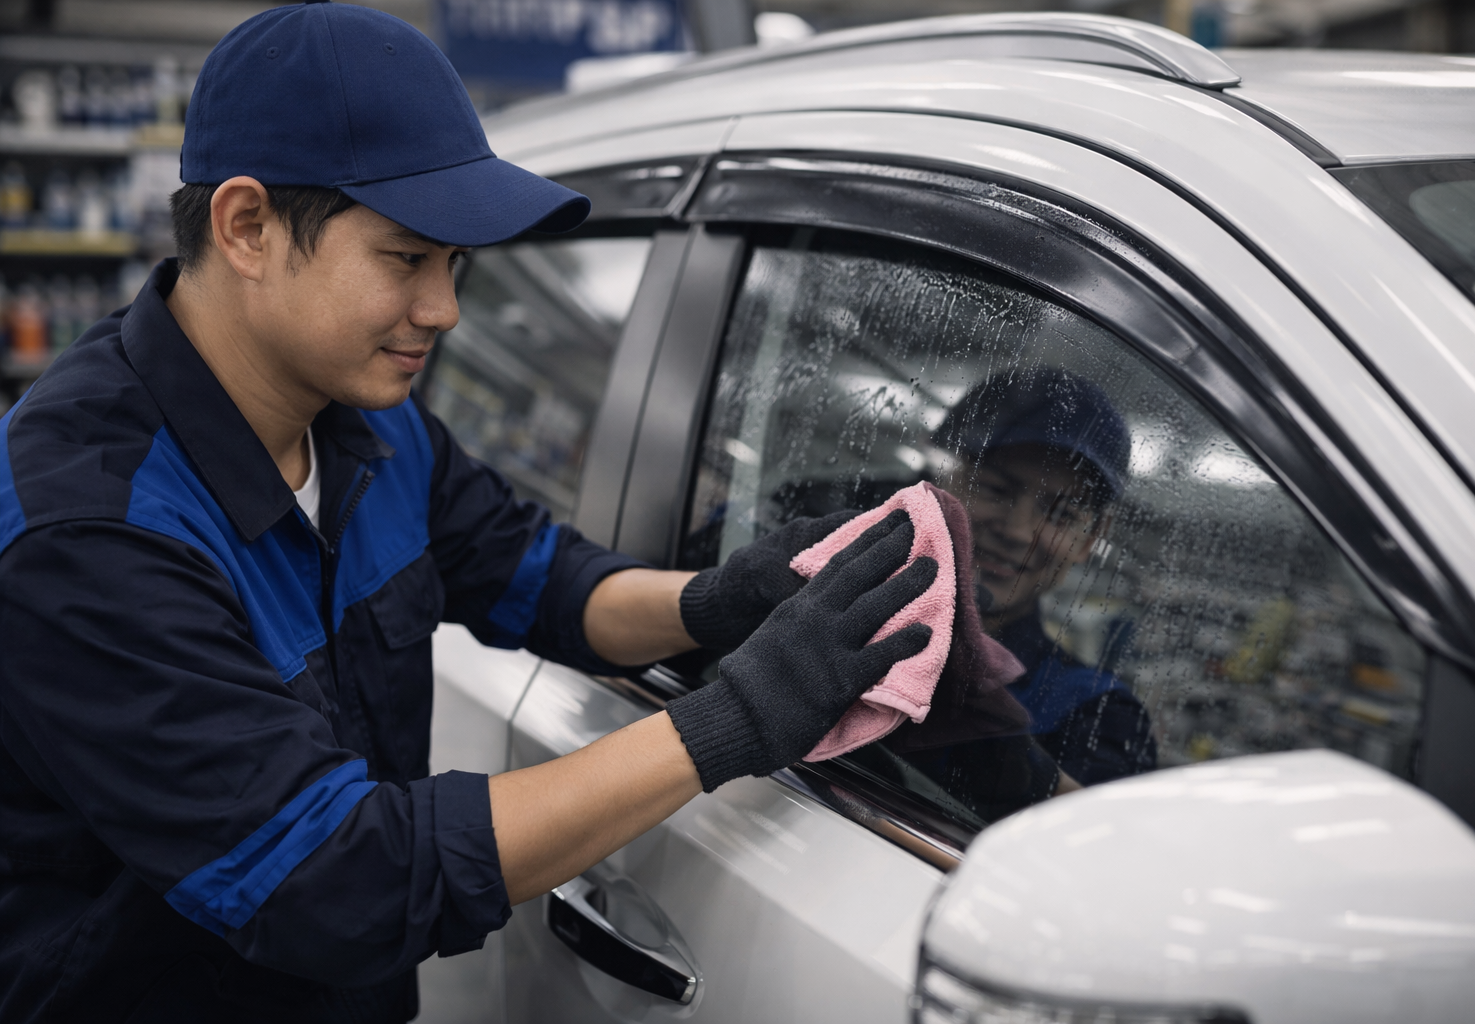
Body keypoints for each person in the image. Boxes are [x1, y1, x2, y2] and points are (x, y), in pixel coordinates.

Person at [0, 5, 935, 1021]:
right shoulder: (86, 528)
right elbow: (331, 876)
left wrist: (714, 601)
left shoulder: (370, 428)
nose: (444, 309)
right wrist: (733, 720)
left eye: (456, 265)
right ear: (247, 227)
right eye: (407, 259)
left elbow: (538, 577)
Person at [932, 368, 1158, 785]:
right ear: (942, 482)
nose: (1018, 531)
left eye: (1062, 514)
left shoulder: (1097, 715)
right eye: (996, 489)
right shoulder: (834, 607)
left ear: (1090, 539)